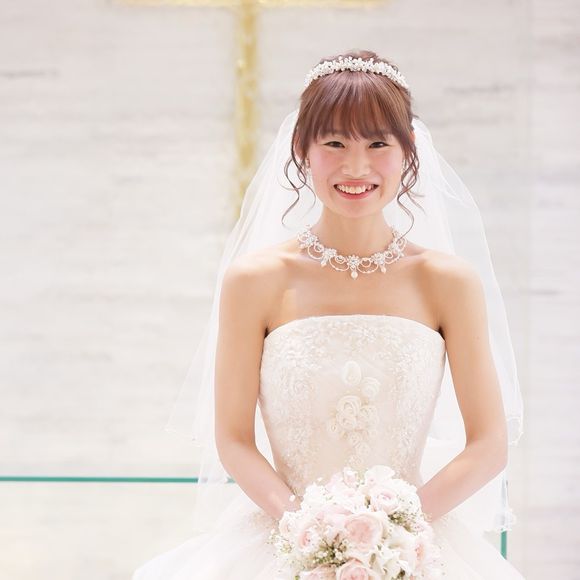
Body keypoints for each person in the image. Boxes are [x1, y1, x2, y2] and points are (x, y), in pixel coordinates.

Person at [133, 50, 526, 579]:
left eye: (378, 144)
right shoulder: (255, 281)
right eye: (335, 143)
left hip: (415, 542)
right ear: (302, 148)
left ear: (408, 150)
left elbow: (489, 445)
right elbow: (233, 438)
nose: (356, 167)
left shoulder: (448, 282)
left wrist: (394, 530)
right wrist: (309, 530)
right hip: (284, 539)